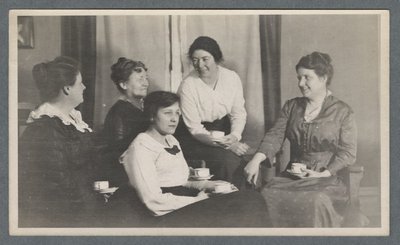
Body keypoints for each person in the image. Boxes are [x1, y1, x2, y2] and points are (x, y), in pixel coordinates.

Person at [119, 91, 269, 227]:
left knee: (251, 198)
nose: (174, 119)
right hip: (164, 215)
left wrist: (208, 184)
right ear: (151, 116)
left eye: (177, 113)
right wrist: (199, 200)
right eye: (167, 113)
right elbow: (153, 201)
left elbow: (182, 179)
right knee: (246, 205)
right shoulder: (141, 147)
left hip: (184, 201)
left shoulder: (171, 140)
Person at [244, 52, 358, 227]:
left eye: (307, 78)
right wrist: (255, 160)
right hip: (292, 178)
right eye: (299, 77)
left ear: (323, 78)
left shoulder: (342, 112)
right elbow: (275, 136)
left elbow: (348, 153)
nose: (300, 83)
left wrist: (324, 173)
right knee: (267, 194)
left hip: (325, 180)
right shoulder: (292, 106)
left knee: (315, 200)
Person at [18, 56, 97, 227]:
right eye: (80, 83)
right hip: (63, 214)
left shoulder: (71, 120)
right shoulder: (47, 127)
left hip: (82, 202)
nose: (84, 87)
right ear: (67, 88)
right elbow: (58, 183)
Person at [177, 36, 249, 187]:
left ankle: (241, 203)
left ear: (216, 58)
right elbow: (195, 129)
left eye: (205, 59)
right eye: (195, 60)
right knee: (226, 160)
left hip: (224, 133)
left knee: (244, 158)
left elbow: (238, 113)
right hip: (195, 138)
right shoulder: (187, 86)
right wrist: (227, 145)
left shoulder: (231, 78)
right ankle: (224, 203)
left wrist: (234, 136)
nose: (200, 64)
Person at [100, 57, 149, 187]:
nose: (146, 83)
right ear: (123, 84)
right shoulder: (118, 113)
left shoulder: (145, 107)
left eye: (146, 78)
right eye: (140, 79)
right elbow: (117, 152)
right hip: (130, 175)